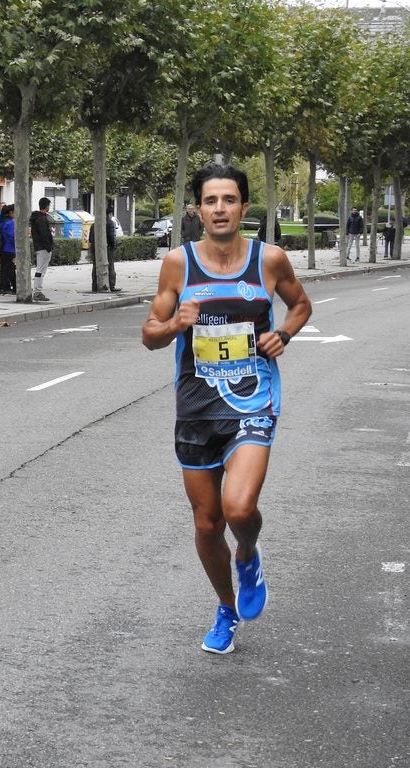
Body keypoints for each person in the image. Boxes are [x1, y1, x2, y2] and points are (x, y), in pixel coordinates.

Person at [141, 163, 312, 655]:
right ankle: (226, 608)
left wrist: (283, 333)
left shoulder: (270, 259)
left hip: (253, 399)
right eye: (211, 201)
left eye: (229, 200)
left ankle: (250, 554)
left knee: (239, 508)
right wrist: (176, 324)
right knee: (207, 523)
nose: (220, 209)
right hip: (195, 408)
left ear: (243, 206)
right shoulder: (178, 264)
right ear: (198, 208)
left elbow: (300, 304)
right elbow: (149, 335)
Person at [29, 198, 54, 302]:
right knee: (41, 270)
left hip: (38, 246)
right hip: (43, 248)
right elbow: (45, 234)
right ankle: (38, 291)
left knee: (40, 269)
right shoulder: (42, 219)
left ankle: (37, 291)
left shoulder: (35, 218)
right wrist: (49, 246)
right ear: (47, 206)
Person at [93, 204, 120, 292]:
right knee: (110, 267)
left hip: (95, 248)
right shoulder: (110, 223)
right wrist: (113, 246)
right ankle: (111, 285)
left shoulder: (94, 223)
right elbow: (112, 237)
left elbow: (90, 238)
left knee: (95, 267)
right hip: (107, 248)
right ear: (109, 214)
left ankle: (94, 286)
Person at [0, 205, 17, 296]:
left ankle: (6, 288)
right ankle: (5, 288)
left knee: (5, 269)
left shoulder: (3, 222)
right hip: (9, 249)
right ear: (11, 213)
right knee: (8, 269)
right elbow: (13, 237)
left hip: (4, 249)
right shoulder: (10, 223)